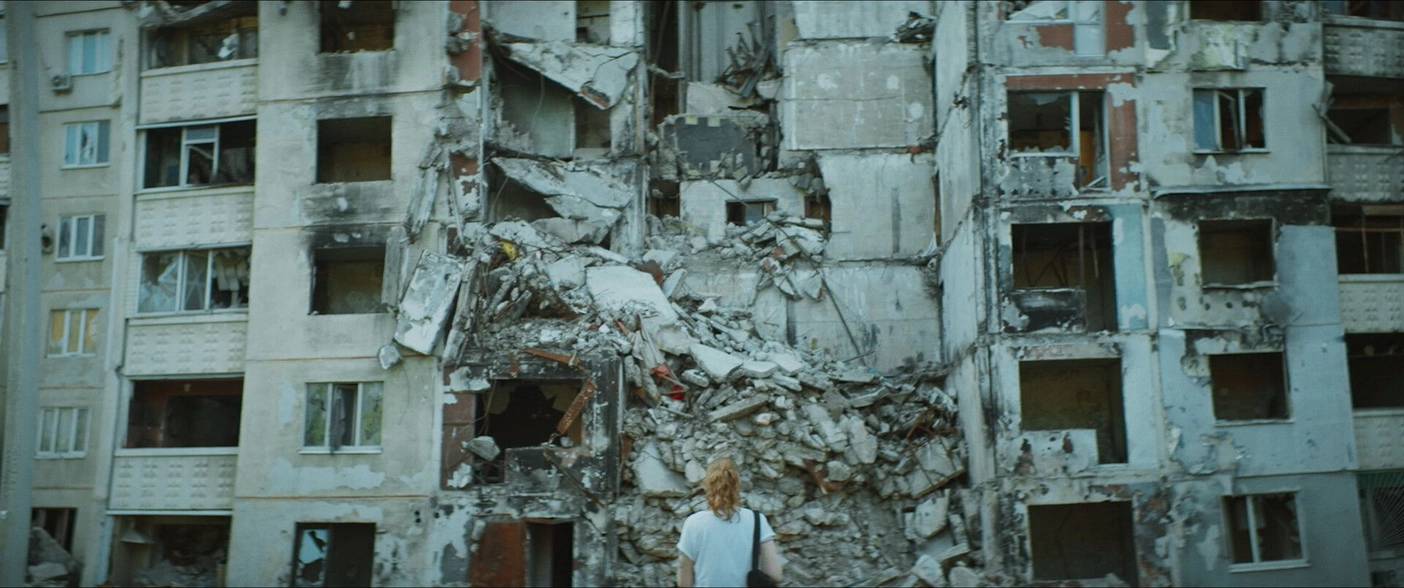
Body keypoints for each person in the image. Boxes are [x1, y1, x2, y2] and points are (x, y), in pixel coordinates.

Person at [677, 457, 783, 587]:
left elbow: (684, 583)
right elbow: (774, 574)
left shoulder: (693, 523)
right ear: (737, 484)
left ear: (708, 485)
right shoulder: (757, 520)